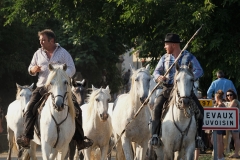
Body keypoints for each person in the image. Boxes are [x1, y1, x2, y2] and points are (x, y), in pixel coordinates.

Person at [17, 29, 93, 150]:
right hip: (43, 86)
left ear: (51, 41)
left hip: (61, 87)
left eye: (43, 40)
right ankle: (26, 137)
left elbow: (72, 68)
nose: (41, 42)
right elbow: (30, 68)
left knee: (77, 109)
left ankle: (80, 140)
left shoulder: (63, 53)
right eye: (40, 40)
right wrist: (33, 70)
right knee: (29, 108)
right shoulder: (38, 53)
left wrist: (61, 75)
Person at [150, 33, 204, 149]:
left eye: (166, 44)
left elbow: (199, 70)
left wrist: (189, 76)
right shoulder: (164, 58)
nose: (165, 47)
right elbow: (156, 72)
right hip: (168, 88)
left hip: (185, 90)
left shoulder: (188, 56)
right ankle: (155, 135)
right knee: (157, 106)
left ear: (173, 45)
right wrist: (158, 77)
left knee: (200, 110)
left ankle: (199, 138)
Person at [211, 90, 226, 160]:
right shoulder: (223, 105)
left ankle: (220, 157)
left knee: (218, 141)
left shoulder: (220, 106)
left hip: (218, 125)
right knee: (218, 141)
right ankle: (220, 155)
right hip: (220, 126)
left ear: (217, 97)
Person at [226, 89, 240, 158]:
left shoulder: (235, 101)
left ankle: (236, 153)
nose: (229, 96)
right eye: (227, 95)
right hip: (233, 122)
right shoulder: (230, 102)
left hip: (236, 122)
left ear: (234, 95)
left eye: (231, 95)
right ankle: (235, 153)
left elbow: (229, 110)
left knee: (236, 138)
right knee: (235, 138)